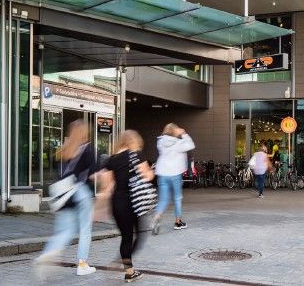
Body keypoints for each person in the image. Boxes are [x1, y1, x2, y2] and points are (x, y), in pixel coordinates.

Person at [35, 120, 101, 277]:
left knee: (64, 231)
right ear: (85, 133)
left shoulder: (64, 150)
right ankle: (82, 265)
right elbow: (93, 175)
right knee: (85, 229)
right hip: (81, 193)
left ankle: (47, 253)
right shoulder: (88, 149)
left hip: (64, 194)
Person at [100, 130, 155, 283]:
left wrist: (100, 208)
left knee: (126, 237)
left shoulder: (110, 160)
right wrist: (152, 171)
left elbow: (106, 187)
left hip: (117, 203)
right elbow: (147, 176)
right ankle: (124, 260)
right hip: (133, 202)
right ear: (134, 141)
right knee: (140, 235)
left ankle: (129, 271)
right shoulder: (137, 155)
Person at [153, 123, 195, 234]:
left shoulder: (161, 142)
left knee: (163, 199)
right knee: (177, 198)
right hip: (175, 173)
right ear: (175, 132)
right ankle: (177, 222)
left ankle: (157, 215)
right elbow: (191, 145)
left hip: (162, 173)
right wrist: (184, 134)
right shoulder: (178, 143)